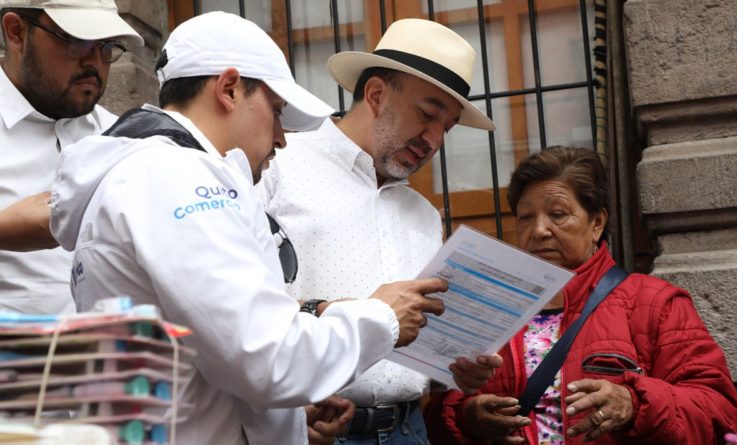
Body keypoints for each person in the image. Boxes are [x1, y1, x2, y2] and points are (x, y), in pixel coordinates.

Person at [49, 11, 449, 445]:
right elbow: (267, 356)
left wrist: (288, 420)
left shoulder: (155, 173)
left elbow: (214, 357)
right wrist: (381, 315)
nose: (281, 137)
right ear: (230, 89)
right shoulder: (180, 179)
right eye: (276, 112)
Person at [261, 18, 500, 444]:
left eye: (446, 127)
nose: (434, 141)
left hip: (409, 428)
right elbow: (244, 308)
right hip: (310, 428)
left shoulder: (425, 216)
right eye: (427, 115)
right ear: (375, 94)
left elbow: (422, 334)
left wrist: (455, 365)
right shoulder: (277, 166)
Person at [424, 146, 737, 445]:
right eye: (525, 217)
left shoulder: (654, 303)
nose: (538, 230)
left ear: (596, 222)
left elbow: (718, 412)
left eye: (558, 214)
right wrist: (466, 418)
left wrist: (633, 404)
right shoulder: (487, 306)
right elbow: (432, 420)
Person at [0, 0, 143, 314]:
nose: (94, 62)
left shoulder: (120, 137)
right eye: (77, 42)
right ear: (16, 33)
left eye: (107, 47)